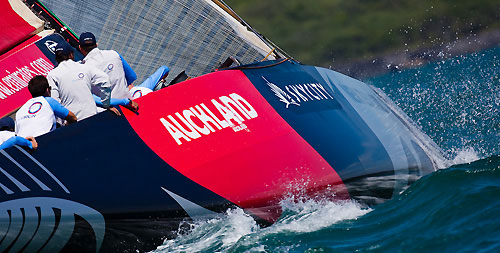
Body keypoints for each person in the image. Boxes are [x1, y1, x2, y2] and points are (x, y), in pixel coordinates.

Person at [47, 41, 112, 120]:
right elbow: (105, 80)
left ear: (57, 58)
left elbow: (55, 102)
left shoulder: (52, 75)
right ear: (71, 54)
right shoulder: (85, 67)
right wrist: (106, 104)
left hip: (73, 122)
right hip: (93, 116)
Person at [79, 32, 138, 110]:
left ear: (80, 48)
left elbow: (89, 98)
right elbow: (132, 76)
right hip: (131, 107)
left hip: (110, 112)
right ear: (96, 45)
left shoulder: (82, 69)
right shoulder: (114, 54)